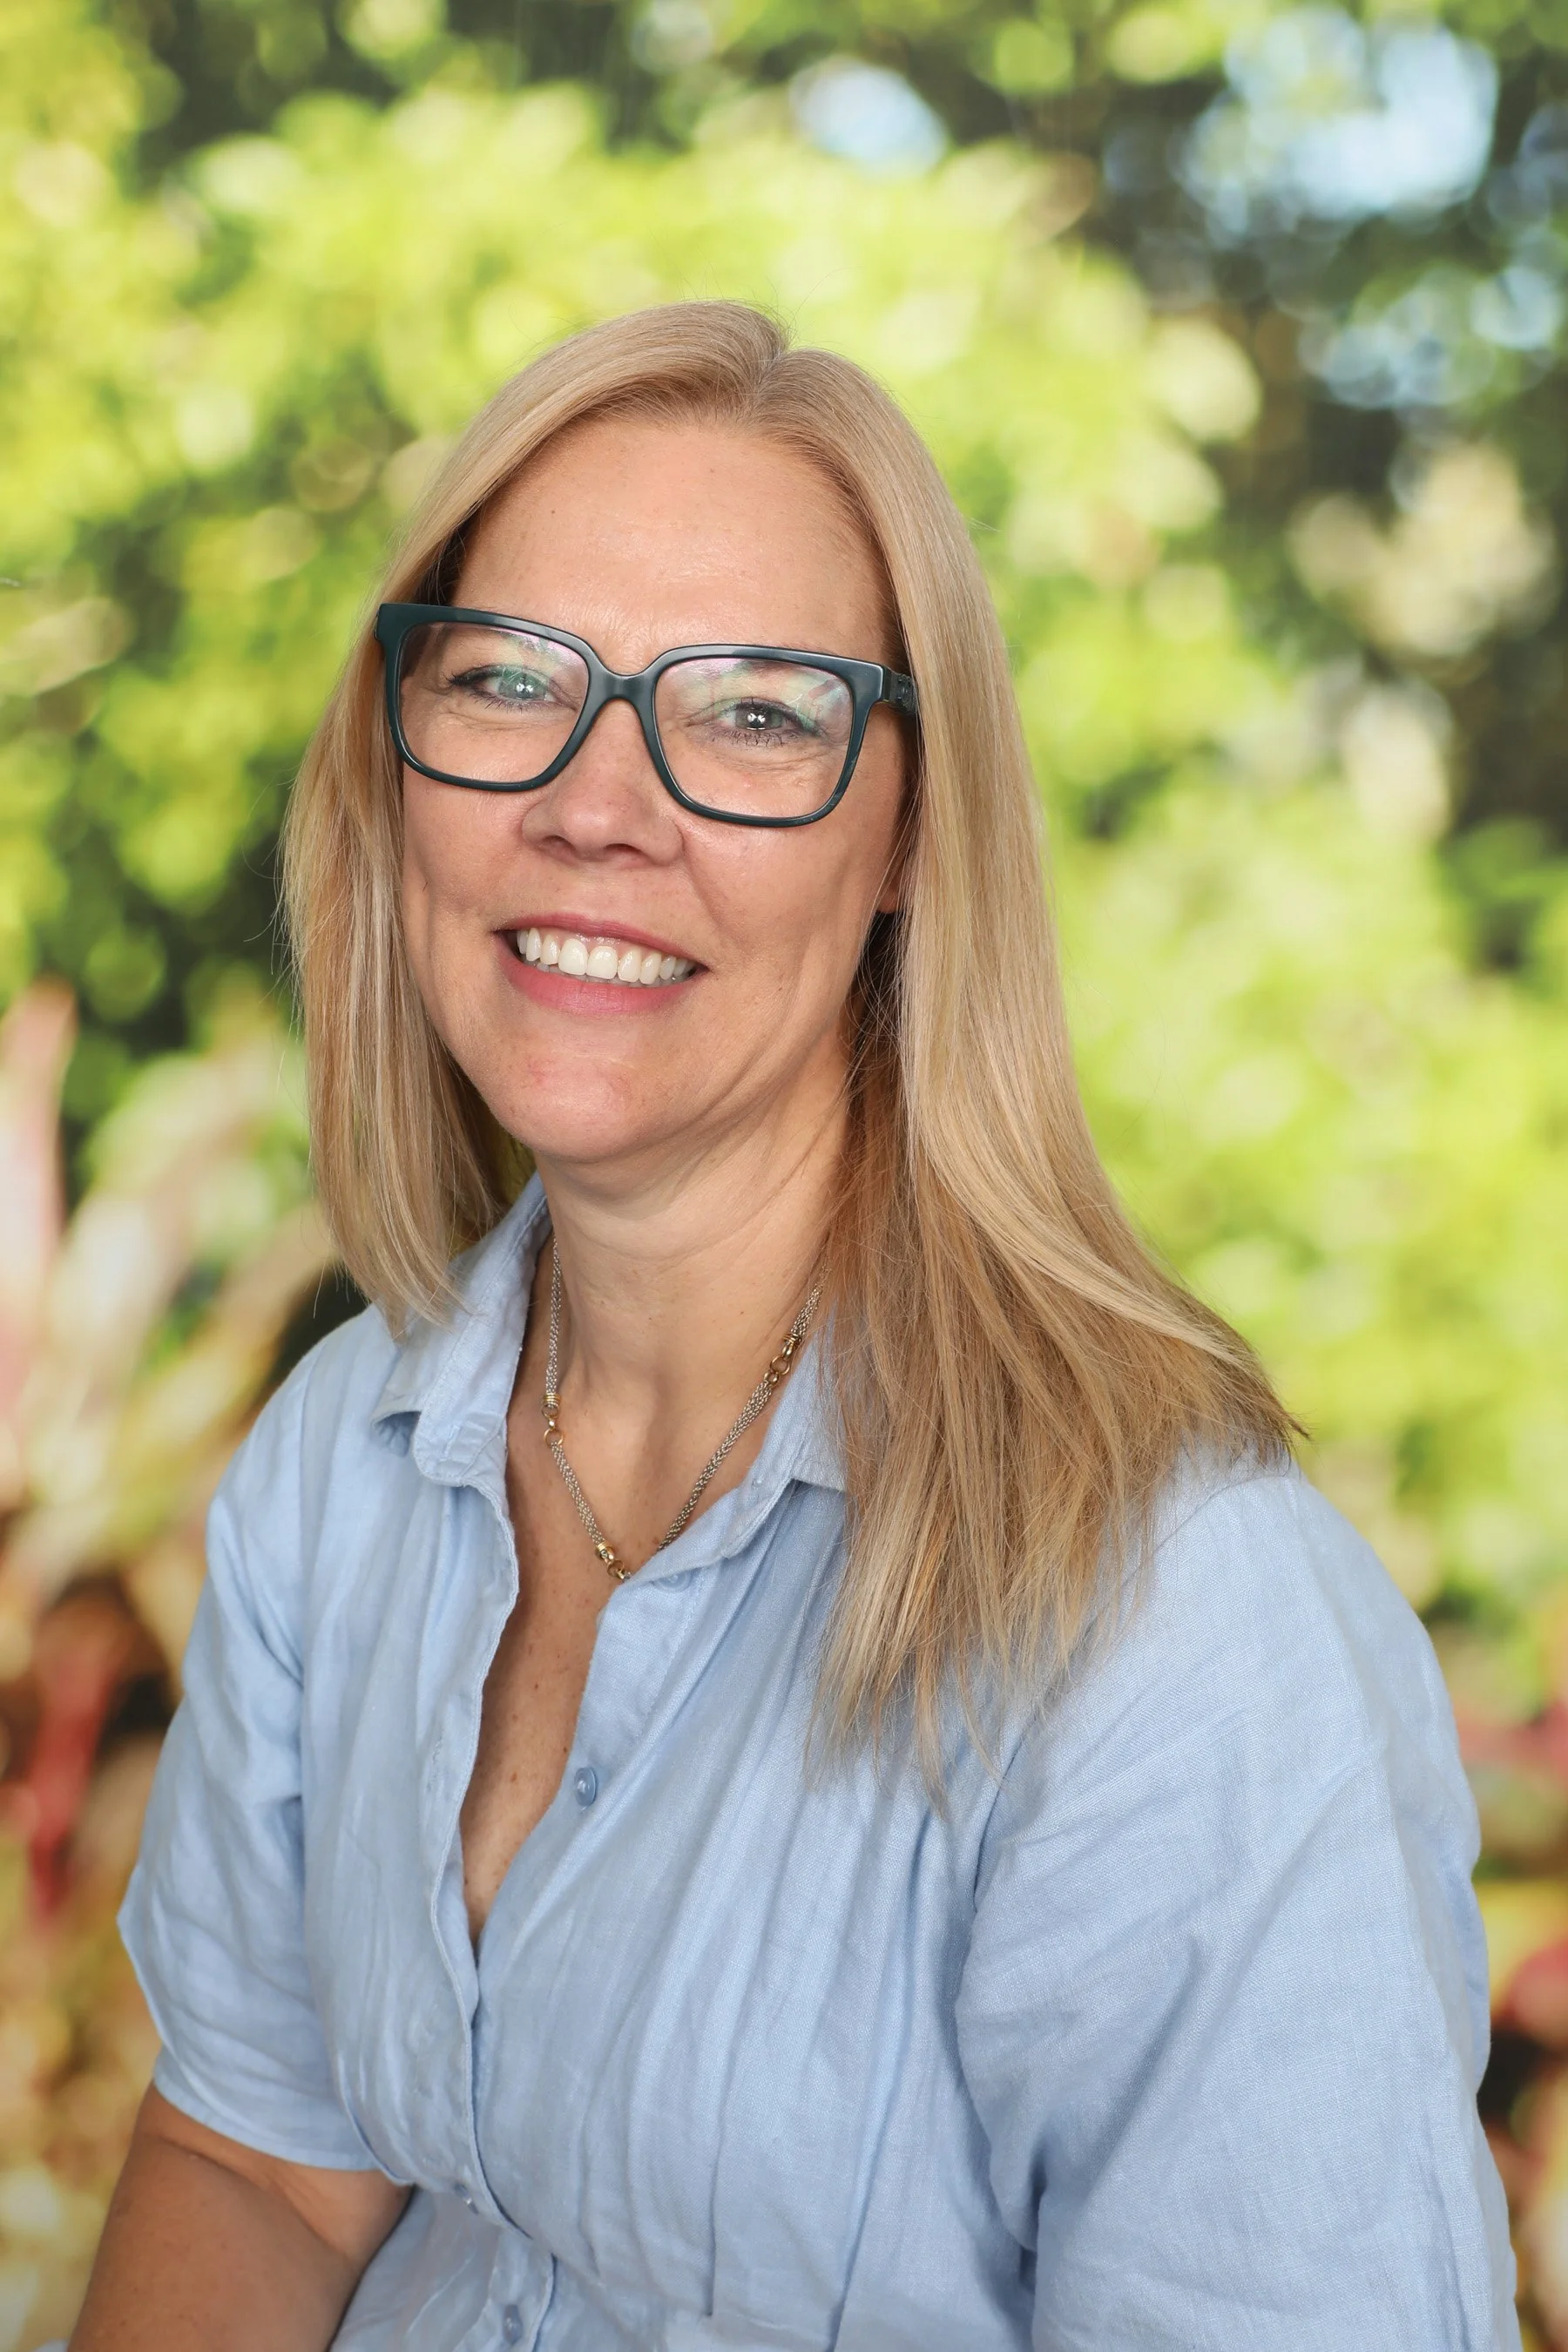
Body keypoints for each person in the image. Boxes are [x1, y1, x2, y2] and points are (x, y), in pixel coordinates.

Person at [69, 301, 1517, 2352]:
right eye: (509, 680)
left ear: (913, 830)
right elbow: (260, 2169)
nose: (598, 803)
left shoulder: (1170, 1614)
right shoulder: (344, 1457)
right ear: (398, 760)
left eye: (756, 716)